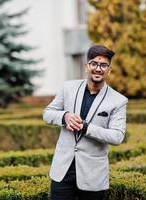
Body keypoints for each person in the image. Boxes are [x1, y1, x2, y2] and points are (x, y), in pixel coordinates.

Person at [43, 44, 128, 200]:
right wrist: (65, 116)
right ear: (86, 66)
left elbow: (117, 136)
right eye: (94, 63)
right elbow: (47, 114)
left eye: (103, 65)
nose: (98, 68)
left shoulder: (119, 101)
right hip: (62, 170)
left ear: (109, 70)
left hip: (93, 175)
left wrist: (87, 127)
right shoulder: (67, 88)